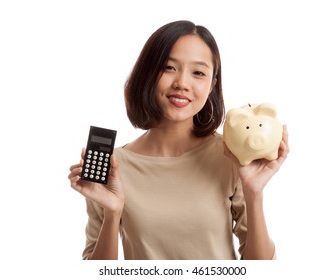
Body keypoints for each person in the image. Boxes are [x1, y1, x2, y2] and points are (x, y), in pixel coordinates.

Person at [68, 20, 289, 260]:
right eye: (169, 67)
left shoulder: (230, 156)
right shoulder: (113, 168)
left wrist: (253, 192)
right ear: (148, 73)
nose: (182, 83)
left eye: (198, 72)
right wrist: (112, 213)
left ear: (212, 85)